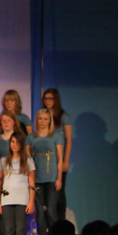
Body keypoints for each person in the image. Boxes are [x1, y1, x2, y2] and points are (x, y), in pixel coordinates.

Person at [0, 132, 35, 235]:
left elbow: (32, 183)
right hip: (7, 199)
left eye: (18, 142)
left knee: (20, 230)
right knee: (9, 230)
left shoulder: (28, 160)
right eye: (12, 141)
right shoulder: (3, 161)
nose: (15, 145)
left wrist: (31, 202)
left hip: (22, 199)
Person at [27, 108, 64, 235]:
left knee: (51, 211)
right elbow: (28, 160)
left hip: (52, 178)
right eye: (40, 119)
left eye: (45, 119)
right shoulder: (31, 137)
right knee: (40, 212)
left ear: (50, 121)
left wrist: (59, 178)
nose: (42, 122)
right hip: (37, 179)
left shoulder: (56, 136)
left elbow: (60, 159)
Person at [42, 88, 72, 221]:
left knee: (59, 192)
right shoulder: (42, 116)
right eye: (45, 98)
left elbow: (68, 140)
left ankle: (61, 222)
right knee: (46, 194)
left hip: (59, 161)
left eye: (50, 98)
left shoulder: (64, 117)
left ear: (56, 100)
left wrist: (66, 160)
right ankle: (49, 224)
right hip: (45, 161)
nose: (47, 101)